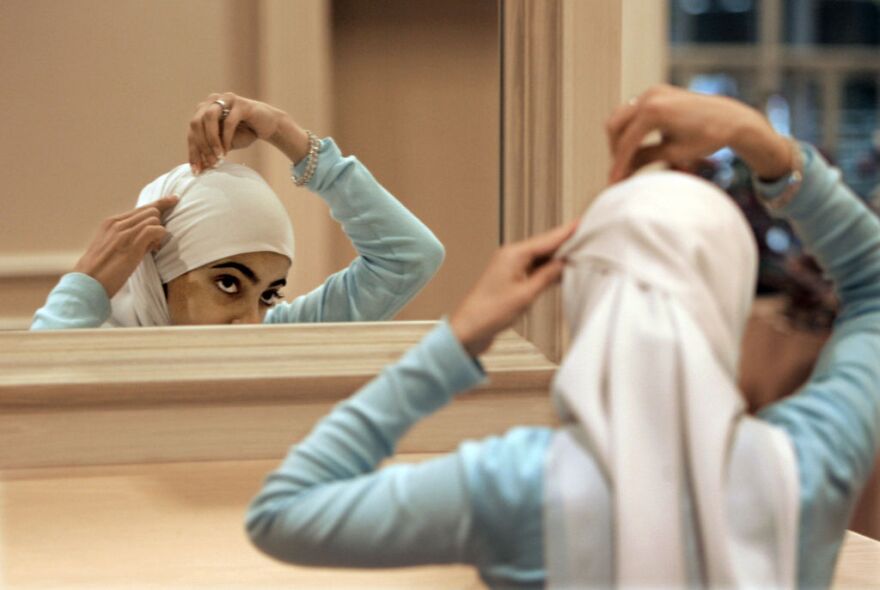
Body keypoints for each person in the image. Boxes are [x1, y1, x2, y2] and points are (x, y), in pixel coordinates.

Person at [244, 85, 880, 588]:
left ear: (584, 298)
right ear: (727, 297)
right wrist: (763, 145)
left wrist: (459, 337)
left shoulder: (516, 487)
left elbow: (283, 513)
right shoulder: (809, 464)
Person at [31, 93, 444, 329]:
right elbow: (29, 413)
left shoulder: (271, 339)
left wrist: (284, 131)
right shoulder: (94, 353)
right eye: (228, 284)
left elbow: (409, 259)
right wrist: (83, 286)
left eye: (269, 295)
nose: (249, 324)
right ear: (158, 275)